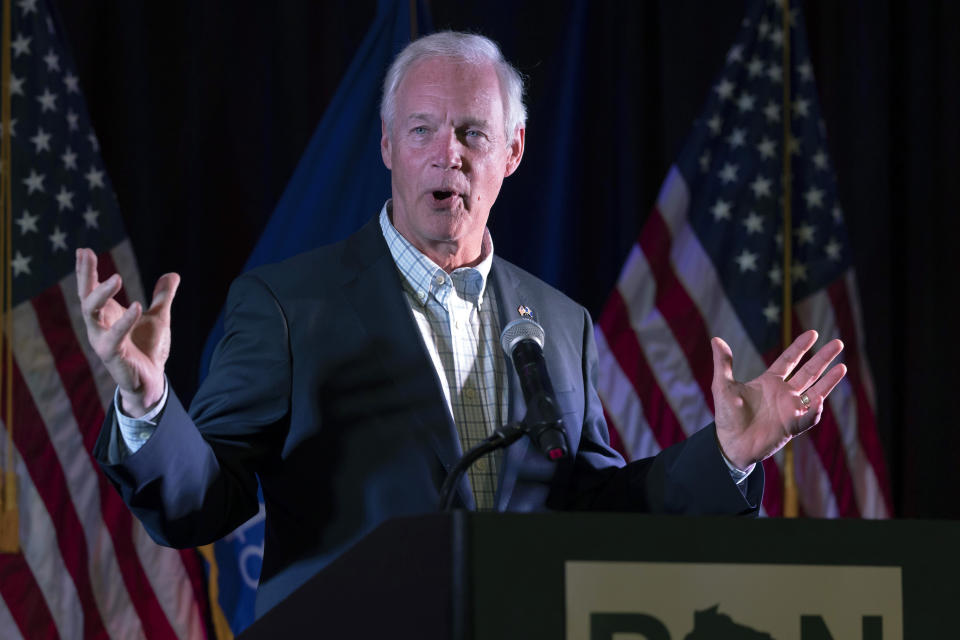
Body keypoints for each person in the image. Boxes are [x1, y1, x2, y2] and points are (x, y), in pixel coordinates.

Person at [76, 32, 846, 617]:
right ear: (387, 147)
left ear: (512, 151)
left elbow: (594, 513)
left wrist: (727, 455)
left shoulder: (560, 323)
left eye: (473, 133)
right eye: (421, 132)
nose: (448, 155)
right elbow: (202, 504)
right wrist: (148, 404)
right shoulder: (286, 306)